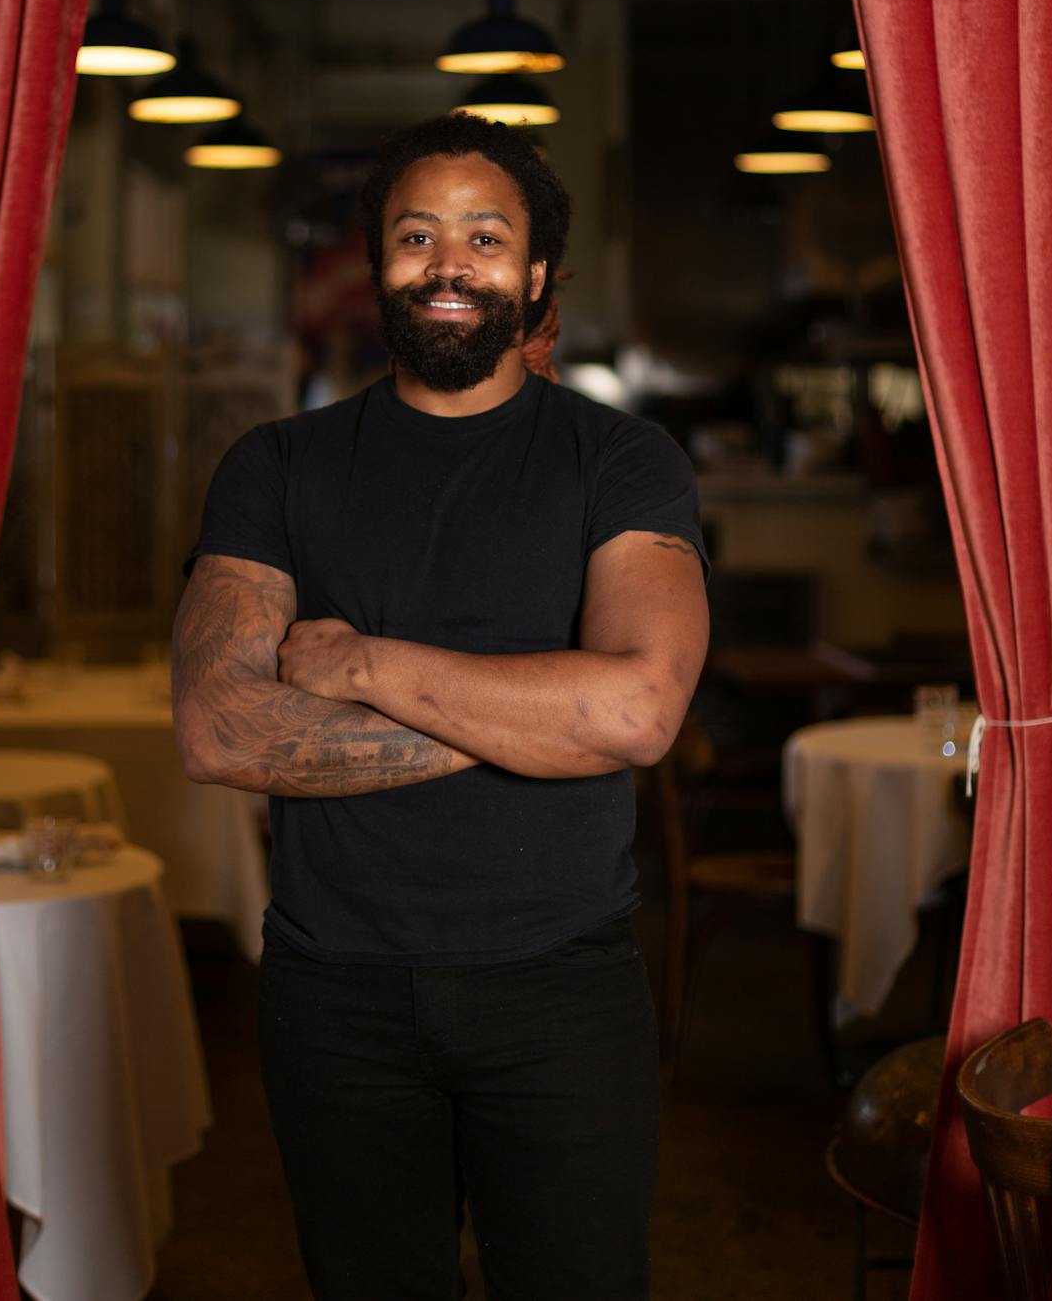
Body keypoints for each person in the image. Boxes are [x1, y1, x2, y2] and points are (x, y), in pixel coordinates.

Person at [172, 113, 710, 1301]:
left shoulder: (620, 463)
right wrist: (529, 710)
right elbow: (219, 730)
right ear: (377, 267)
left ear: (536, 274)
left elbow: (632, 714)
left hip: (560, 991)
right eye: (418, 237)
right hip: (335, 993)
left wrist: (358, 664)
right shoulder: (276, 466)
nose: (450, 264)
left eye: (484, 236)